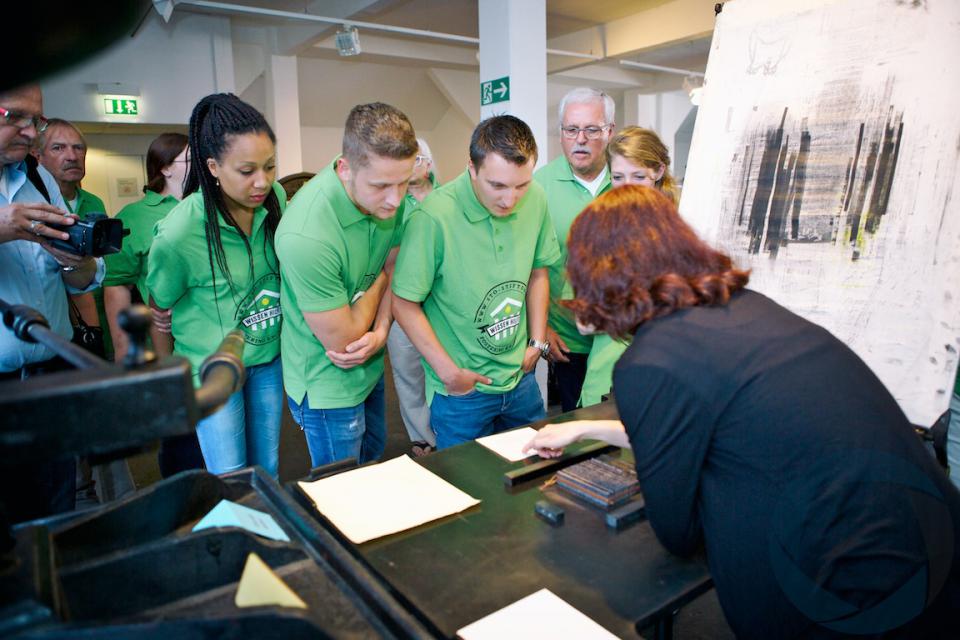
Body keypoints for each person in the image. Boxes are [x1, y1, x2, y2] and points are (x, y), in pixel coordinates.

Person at [524, 185, 960, 638]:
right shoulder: (743, 307)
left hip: (848, 587)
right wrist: (585, 430)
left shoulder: (652, 359)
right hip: (927, 542)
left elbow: (677, 531)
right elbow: (727, 429)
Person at [392, 115, 560, 449]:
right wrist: (449, 373)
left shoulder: (537, 198)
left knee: (535, 470)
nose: (510, 199)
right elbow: (404, 303)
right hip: (463, 392)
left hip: (520, 378)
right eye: (497, 186)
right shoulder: (433, 217)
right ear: (471, 167)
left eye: (521, 186)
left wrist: (537, 341)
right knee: (465, 479)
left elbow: (539, 271)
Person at [146, 94, 285, 479]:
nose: (263, 181)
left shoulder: (275, 201)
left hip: (267, 360)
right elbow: (159, 306)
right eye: (247, 171)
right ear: (213, 167)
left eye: (270, 166)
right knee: (230, 475)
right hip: (212, 369)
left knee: (268, 470)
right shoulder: (179, 232)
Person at [277, 102, 417, 468]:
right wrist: (382, 281)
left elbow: (393, 262)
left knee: (372, 458)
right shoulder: (306, 235)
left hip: (370, 361)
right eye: (381, 186)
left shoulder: (387, 193)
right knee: (340, 484)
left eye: (404, 183)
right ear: (345, 169)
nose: (396, 199)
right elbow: (344, 340)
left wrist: (382, 330)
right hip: (327, 379)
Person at [0, 84, 105, 522]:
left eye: (36, 120)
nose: (30, 132)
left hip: (49, 377)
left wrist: (74, 260)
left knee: (57, 514)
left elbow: (80, 280)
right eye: (15, 117)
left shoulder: (39, 180)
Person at [104, 132, 203, 478]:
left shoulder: (206, 205)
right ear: (165, 168)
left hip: (210, 340)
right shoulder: (133, 217)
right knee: (182, 442)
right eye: (190, 159)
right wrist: (123, 352)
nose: (200, 165)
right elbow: (116, 285)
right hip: (166, 344)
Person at [578, 126, 678, 408]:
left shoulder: (681, 229)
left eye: (638, 176)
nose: (627, 187)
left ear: (658, 171)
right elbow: (585, 322)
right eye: (618, 177)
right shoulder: (599, 230)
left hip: (663, 375)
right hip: (606, 378)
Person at [534, 87, 615, 412]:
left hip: (622, 335)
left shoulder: (626, 179)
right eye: (571, 129)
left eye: (591, 129)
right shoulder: (538, 187)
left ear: (609, 132)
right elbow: (524, 265)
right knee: (579, 425)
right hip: (569, 340)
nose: (580, 139)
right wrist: (541, 329)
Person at [34, 118, 109, 358]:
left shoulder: (94, 202)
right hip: (54, 330)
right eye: (58, 148)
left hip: (97, 322)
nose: (72, 156)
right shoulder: (34, 206)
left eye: (78, 148)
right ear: (37, 157)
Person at [388, 137, 439, 456]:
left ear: (429, 164)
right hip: (402, 301)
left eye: (416, 159)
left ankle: (445, 431)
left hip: (441, 302)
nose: (410, 166)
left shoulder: (447, 197)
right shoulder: (392, 204)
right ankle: (422, 437)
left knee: (441, 369)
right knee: (408, 373)